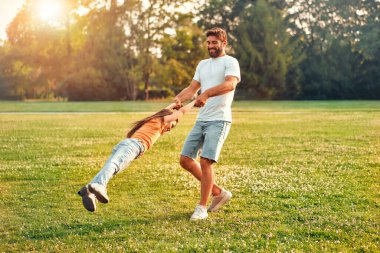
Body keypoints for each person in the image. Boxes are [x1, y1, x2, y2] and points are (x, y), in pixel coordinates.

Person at [174, 27, 241, 221]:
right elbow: (192, 88)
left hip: (219, 120)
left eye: (214, 42)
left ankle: (202, 207)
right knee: (185, 159)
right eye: (208, 43)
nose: (211, 46)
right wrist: (177, 100)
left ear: (223, 43)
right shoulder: (203, 64)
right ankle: (219, 192)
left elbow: (230, 84)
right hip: (201, 119)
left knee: (205, 161)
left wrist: (208, 93)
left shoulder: (230, 62)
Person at [78, 101, 195, 212]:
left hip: (129, 145)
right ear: (169, 117)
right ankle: (99, 185)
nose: (170, 128)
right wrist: (194, 102)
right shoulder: (160, 120)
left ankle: (89, 191)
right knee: (114, 165)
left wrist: (174, 104)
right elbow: (181, 112)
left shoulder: (155, 120)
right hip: (133, 146)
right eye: (172, 124)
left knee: (113, 167)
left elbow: (165, 110)